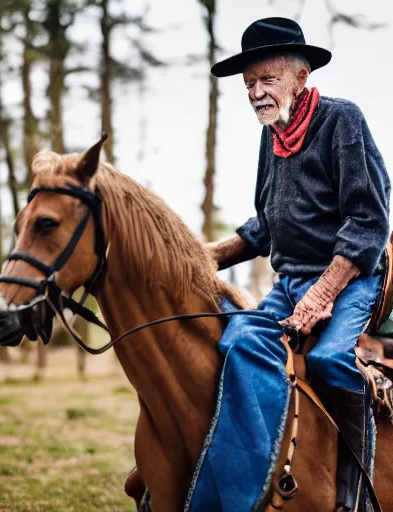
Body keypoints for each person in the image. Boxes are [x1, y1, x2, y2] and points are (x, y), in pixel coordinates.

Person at [204, 17, 390, 512]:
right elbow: (266, 224)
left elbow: (370, 221)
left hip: (351, 278)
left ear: (301, 76)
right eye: (249, 84)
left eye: (268, 80)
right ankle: (266, 470)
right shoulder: (272, 136)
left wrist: (323, 293)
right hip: (290, 282)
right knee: (237, 340)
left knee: (329, 359)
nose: (257, 93)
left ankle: (358, 492)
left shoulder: (341, 121)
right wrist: (205, 257)